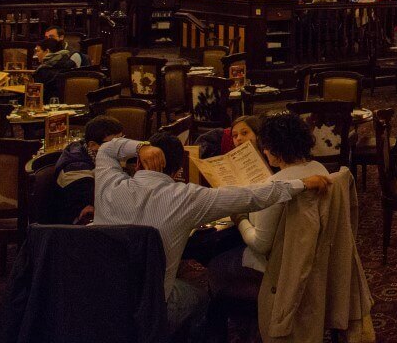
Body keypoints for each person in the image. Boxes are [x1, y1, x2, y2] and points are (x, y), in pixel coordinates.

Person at [93, 132, 330, 340]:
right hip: (151, 311)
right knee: (201, 299)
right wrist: (300, 184)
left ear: (137, 165)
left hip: (97, 301)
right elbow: (252, 196)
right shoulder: (188, 198)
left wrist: (140, 146)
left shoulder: (107, 185)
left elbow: (106, 148)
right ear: (178, 170)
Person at [208, 113, 329, 291]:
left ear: (276, 149)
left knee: (216, 264)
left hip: (279, 266)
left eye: (266, 146)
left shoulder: (274, 186)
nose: (264, 150)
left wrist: (239, 219)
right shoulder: (320, 169)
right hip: (315, 257)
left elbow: (260, 245)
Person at [52, 115, 123, 225]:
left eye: (121, 142)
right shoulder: (76, 168)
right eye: (113, 145)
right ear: (93, 145)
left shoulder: (89, 151)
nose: (120, 149)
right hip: (74, 229)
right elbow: (104, 201)